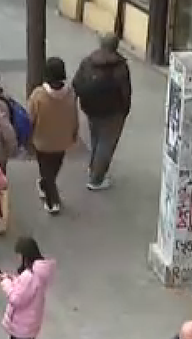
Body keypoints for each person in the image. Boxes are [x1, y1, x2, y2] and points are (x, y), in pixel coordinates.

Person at [71, 33, 132, 191]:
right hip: (113, 111)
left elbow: (76, 84)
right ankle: (96, 179)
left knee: (96, 137)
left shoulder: (88, 62)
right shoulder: (120, 66)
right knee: (106, 142)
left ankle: (93, 167)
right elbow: (125, 91)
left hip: (91, 108)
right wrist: (125, 110)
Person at [27, 57, 80, 214]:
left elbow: (31, 118)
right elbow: (74, 116)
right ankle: (45, 186)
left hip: (42, 140)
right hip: (63, 140)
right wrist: (74, 133)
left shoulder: (38, 95)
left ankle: (52, 201)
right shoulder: (70, 93)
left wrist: (28, 137)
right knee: (54, 167)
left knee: (45, 170)